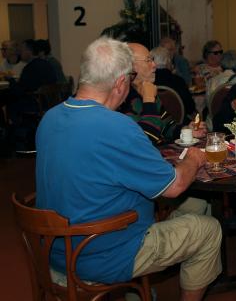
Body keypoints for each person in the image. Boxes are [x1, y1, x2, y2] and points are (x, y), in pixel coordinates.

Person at [36, 37, 222, 301]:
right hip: (101, 253)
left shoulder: (50, 117)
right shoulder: (116, 126)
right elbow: (175, 186)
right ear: (122, 82)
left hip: (54, 248)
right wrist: (193, 158)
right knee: (208, 229)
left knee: (190, 205)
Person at [120, 43, 206, 144]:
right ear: (131, 66)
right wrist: (149, 101)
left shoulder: (147, 89)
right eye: (148, 60)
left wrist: (186, 131)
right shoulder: (122, 98)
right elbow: (145, 141)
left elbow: (166, 125)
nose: (154, 65)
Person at [151, 46, 197, 122]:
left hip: (154, 124)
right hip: (179, 123)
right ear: (169, 61)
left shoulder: (147, 83)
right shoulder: (178, 81)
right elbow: (190, 108)